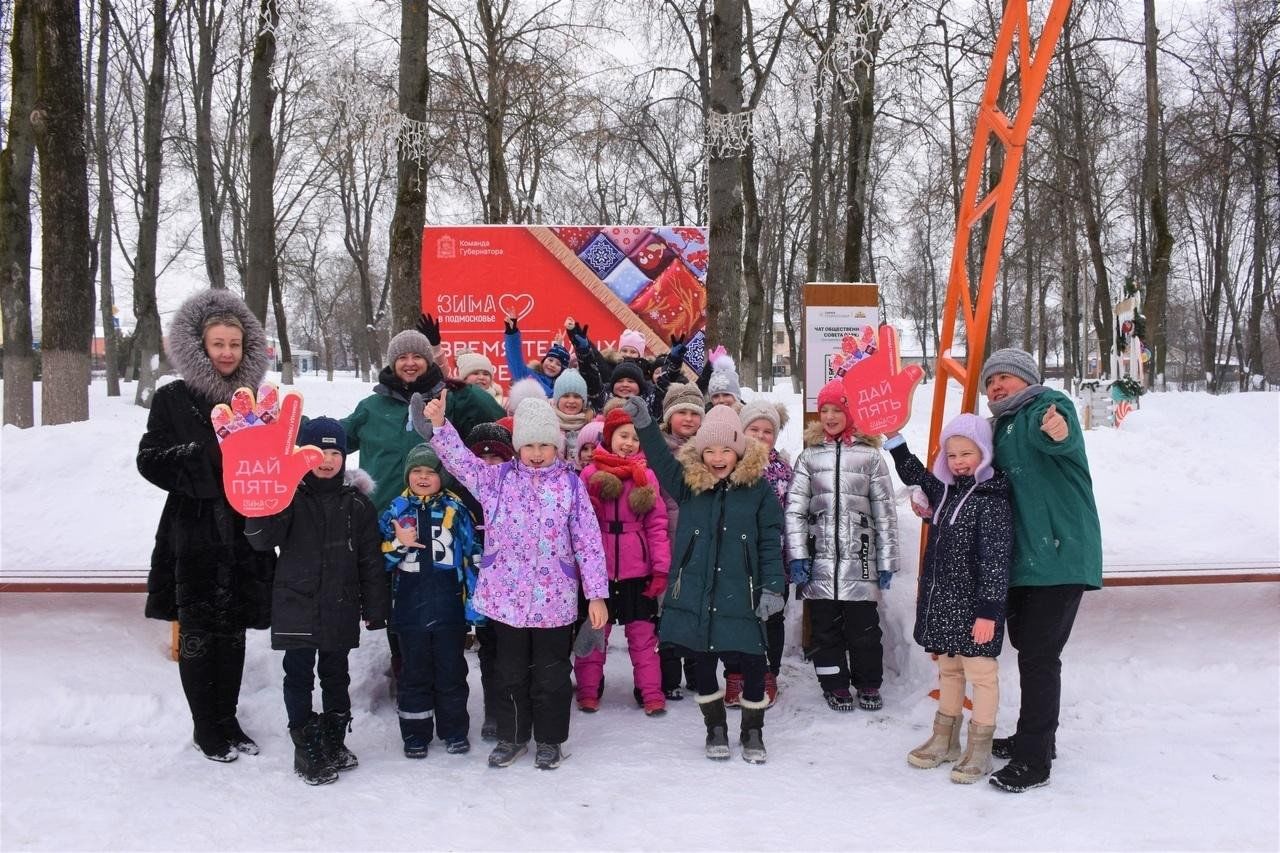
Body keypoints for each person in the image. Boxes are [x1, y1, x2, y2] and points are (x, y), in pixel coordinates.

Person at [413, 391, 609, 770]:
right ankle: (513, 735)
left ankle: (550, 740)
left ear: (557, 445)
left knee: (552, 676)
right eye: (529, 444)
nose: (536, 453)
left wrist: (597, 595)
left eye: (545, 445)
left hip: (555, 601)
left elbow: (588, 541)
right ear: (517, 446)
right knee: (510, 673)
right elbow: (460, 462)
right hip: (507, 598)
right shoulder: (497, 480)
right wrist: (440, 426)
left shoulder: (570, 486)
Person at [137, 288, 275, 762]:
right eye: (218, 344)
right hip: (192, 531)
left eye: (234, 344)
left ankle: (229, 717)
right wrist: (205, 460)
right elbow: (149, 459)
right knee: (198, 630)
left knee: (233, 631)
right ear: (200, 345)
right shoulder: (172, 398)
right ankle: (205, 725)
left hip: (243, 530)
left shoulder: (255, 399)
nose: (227, 353)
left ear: (247, 348)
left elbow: (273, 460)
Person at [628, 399, 784, 764]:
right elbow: (660, 459)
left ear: (739, 451)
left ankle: (753, 730)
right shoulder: (687, 484)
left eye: (726, 449)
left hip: (743, 590)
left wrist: (773, 586)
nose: (717, 457)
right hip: (697, 588)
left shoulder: (757, 490)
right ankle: (714, 727)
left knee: (752, 659)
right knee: (702, 658)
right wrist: (645, 425)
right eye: (710, 449)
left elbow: (769, 541)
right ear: (700, 452)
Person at [979, 348, 1102, 793]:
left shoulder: (1045, 407)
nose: (996, 386)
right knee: (1029, 649)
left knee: (1039, 656)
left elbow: (1061, 435)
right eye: (990, 382)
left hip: (1059, 553)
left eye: (1005, 378)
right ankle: (1036, 737)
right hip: (1025, 560)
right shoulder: (1000, 426)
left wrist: (1058, 429)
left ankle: (1035, 760)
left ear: (1027, 380)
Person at [243, 417, 389, 785]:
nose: (327, 460)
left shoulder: (357, 505)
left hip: (339, 603)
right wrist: (257, 506)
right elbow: (261, 540)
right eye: (318, 452)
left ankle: (334, 738)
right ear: (302, 455)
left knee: (336, 674)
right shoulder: (288, 497)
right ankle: (305, 745)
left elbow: (370, 559)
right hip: (297, 601)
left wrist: (375, 607)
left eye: (335, 452)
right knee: (299, 675)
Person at [885, 414, 1013, 784]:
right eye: (952, 454)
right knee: (950, 670)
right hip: (946, 603)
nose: (958, 461)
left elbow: (996, 559)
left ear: (984, 453)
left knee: (982, 675)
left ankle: (980, 749)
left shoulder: (992, 499)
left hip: (977, 609)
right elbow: (915, 474)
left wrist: (989, 611)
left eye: (966, 453)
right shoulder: (946, 490)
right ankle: (945, 740)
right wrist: (895, 439)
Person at [785, 379, 898, 712]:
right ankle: (833, 684)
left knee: (864, 629)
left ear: (851, 413)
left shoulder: (870, 458)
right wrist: (798, 556)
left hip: (859, 558)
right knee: (824, 630)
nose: (830, 416)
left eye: (838, 409)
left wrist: (887, 560)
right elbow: (794, 509)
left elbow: (885, 511)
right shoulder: (808, 457)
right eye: (825, 410)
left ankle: (868, 683)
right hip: (819, 560)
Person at [380, 443, 479, 758]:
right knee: (414, 672)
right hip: (409, 607)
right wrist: (399, 543)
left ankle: (454, 731)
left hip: (448, 603)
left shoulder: (456, 509)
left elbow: (470, 556)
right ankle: (415, 733)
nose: (423, 477)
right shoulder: (395, 510)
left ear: (441, 476)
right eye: (416, 471)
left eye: (430, 472)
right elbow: (379, 560)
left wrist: (473, 607)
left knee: (451, 670)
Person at [574, 407, 671, 716]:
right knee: (593, 633)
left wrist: (659, 567)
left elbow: (657, 525)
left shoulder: (647, 476)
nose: (629, 443)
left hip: (636, 569)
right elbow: (578, 525)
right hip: (598, 572)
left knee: (643, 637)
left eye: (634, 437)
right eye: (622, 436)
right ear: (609, 437)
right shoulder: (589, 474)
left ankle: (650, 690)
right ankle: (589, 689)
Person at [722, 399, 793, 708]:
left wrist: (794, 559)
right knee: (732, 618)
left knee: (771, 619)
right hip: (734, 560)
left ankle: (768, 674)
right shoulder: (728, 465)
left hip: (772, 559)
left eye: (768, 431)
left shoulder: (784, 471)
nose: (762, 436)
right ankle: (734, 675)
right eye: (754, 429)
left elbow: (793, 516)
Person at [462, 422, 516, 742]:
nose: (490, 465)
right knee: (490, 650)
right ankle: (494, 711)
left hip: (515, 587)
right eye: (481, 459)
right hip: (480, 588)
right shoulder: (463, 497)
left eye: (497, 458)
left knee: (516, 652)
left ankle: (517, 707)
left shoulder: (520, 492)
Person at [654, 383, 705, 698]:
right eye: (680, 412)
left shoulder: (709, 449)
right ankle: (669, 677)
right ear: (668, 416)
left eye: (693, 413)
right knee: (668, 612)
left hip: (700, 544)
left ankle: (699, 674)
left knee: (699, 611)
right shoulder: (657, 450)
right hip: (667, 543)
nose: (687, 419)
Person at [503, 315, 569, 397]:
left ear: (563, 370)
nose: (552, 365)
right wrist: (512, 333)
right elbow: (514, 356)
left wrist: (557, 346)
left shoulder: (563, 388)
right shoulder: (527, 375)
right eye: (550, 360)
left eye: (558, 364)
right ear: (544, 360)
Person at [551, 368, 595, 462]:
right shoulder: (547, 422)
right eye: (566, 396)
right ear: (557, 400)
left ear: (583, 401)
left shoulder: (592, 424)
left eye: (577, 396)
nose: (571, 401)